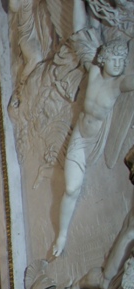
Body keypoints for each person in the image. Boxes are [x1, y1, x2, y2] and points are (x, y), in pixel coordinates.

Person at [53, 1, 134, 257]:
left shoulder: (118, 85)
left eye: (122, 60)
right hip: (80, 137)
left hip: (96, 140)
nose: (119, 63)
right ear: (104, 58)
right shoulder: (95, 73)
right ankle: (61, 235)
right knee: (71, 189)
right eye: (115, 59)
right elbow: (80, 33)